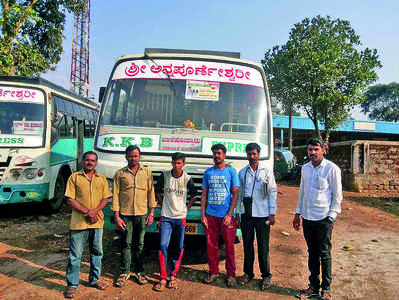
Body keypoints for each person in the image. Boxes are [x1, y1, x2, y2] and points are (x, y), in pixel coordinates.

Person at [293, 137, 342, 300]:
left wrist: (331, 217)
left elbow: (337, 195)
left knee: (324, 253)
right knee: (312, 253)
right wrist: (297, 213)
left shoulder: (332, 169)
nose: (312, 152)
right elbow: (302, 192)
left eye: (316, 149)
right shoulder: (305, 168)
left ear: (323, 149)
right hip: (307, 218)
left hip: (323, 219)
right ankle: (313, 286)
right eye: (310, 149)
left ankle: (326, 289)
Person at [64, 151, 112, 299]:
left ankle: (94, 280)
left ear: (96, 163)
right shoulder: (74, 177)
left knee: (97, 252)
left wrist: (95, 211)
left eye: (92, 161)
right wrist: (87, 212)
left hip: (97, 222)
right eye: (87, 160)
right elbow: (69, 199)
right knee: (75, 255)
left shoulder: (101, 178)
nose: (89, 163)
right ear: (83, 162)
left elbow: (105, 198)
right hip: (79, 223)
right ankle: (72, 285)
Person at [152, 152, 198, 291]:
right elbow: (157, 192)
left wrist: (186, 207)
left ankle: (173, 275)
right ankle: (163, 276)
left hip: (180, 218)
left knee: (178, 246)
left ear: (183, 164)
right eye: (174, 163)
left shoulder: (187, 178)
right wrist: (161, 203)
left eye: (179, 163)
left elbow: (194, 194)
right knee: (162, 245)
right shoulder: (165, 176)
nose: (176, 166)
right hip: (166, 216)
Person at [112, 145, 156, 287]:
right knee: (126, 243)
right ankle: (125, 272)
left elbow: (151, 192)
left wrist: (152, 213)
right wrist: (117, 217)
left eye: (136, 155)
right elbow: (115, 195)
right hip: (125, 215)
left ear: (140, 157)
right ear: (126, 156)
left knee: (140, 244)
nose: (133, 158)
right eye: (130, 156)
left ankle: (139, 272)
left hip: (142, 214)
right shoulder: (120, 174)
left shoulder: (147, 172)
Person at [236, 143, 277, 291]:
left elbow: (272, 192)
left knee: (263, 246)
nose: (252, 157)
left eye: (254, 154)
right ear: (246, 155)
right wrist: (238, 213)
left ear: (258, 154)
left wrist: (272, 213)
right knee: (247, 245)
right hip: (247, 214)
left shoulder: (266, 171)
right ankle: (248, 273)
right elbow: (240, 194)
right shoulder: (242, 173)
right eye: (249, 154)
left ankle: (266, 275)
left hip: (263, 214)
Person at [201, 143, 240, 287]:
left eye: (219, 153)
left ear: (224, 155)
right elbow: (204, 195)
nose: (216, 156)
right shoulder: (208, 172)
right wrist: (203, 214)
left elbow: (235, 194)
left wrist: (230, 214)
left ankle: (231, 274)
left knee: (229, 246)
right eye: (214, 153)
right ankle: (213, 272)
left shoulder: (231, 172)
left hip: (226, 216)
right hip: (210, 215)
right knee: (211, 245)